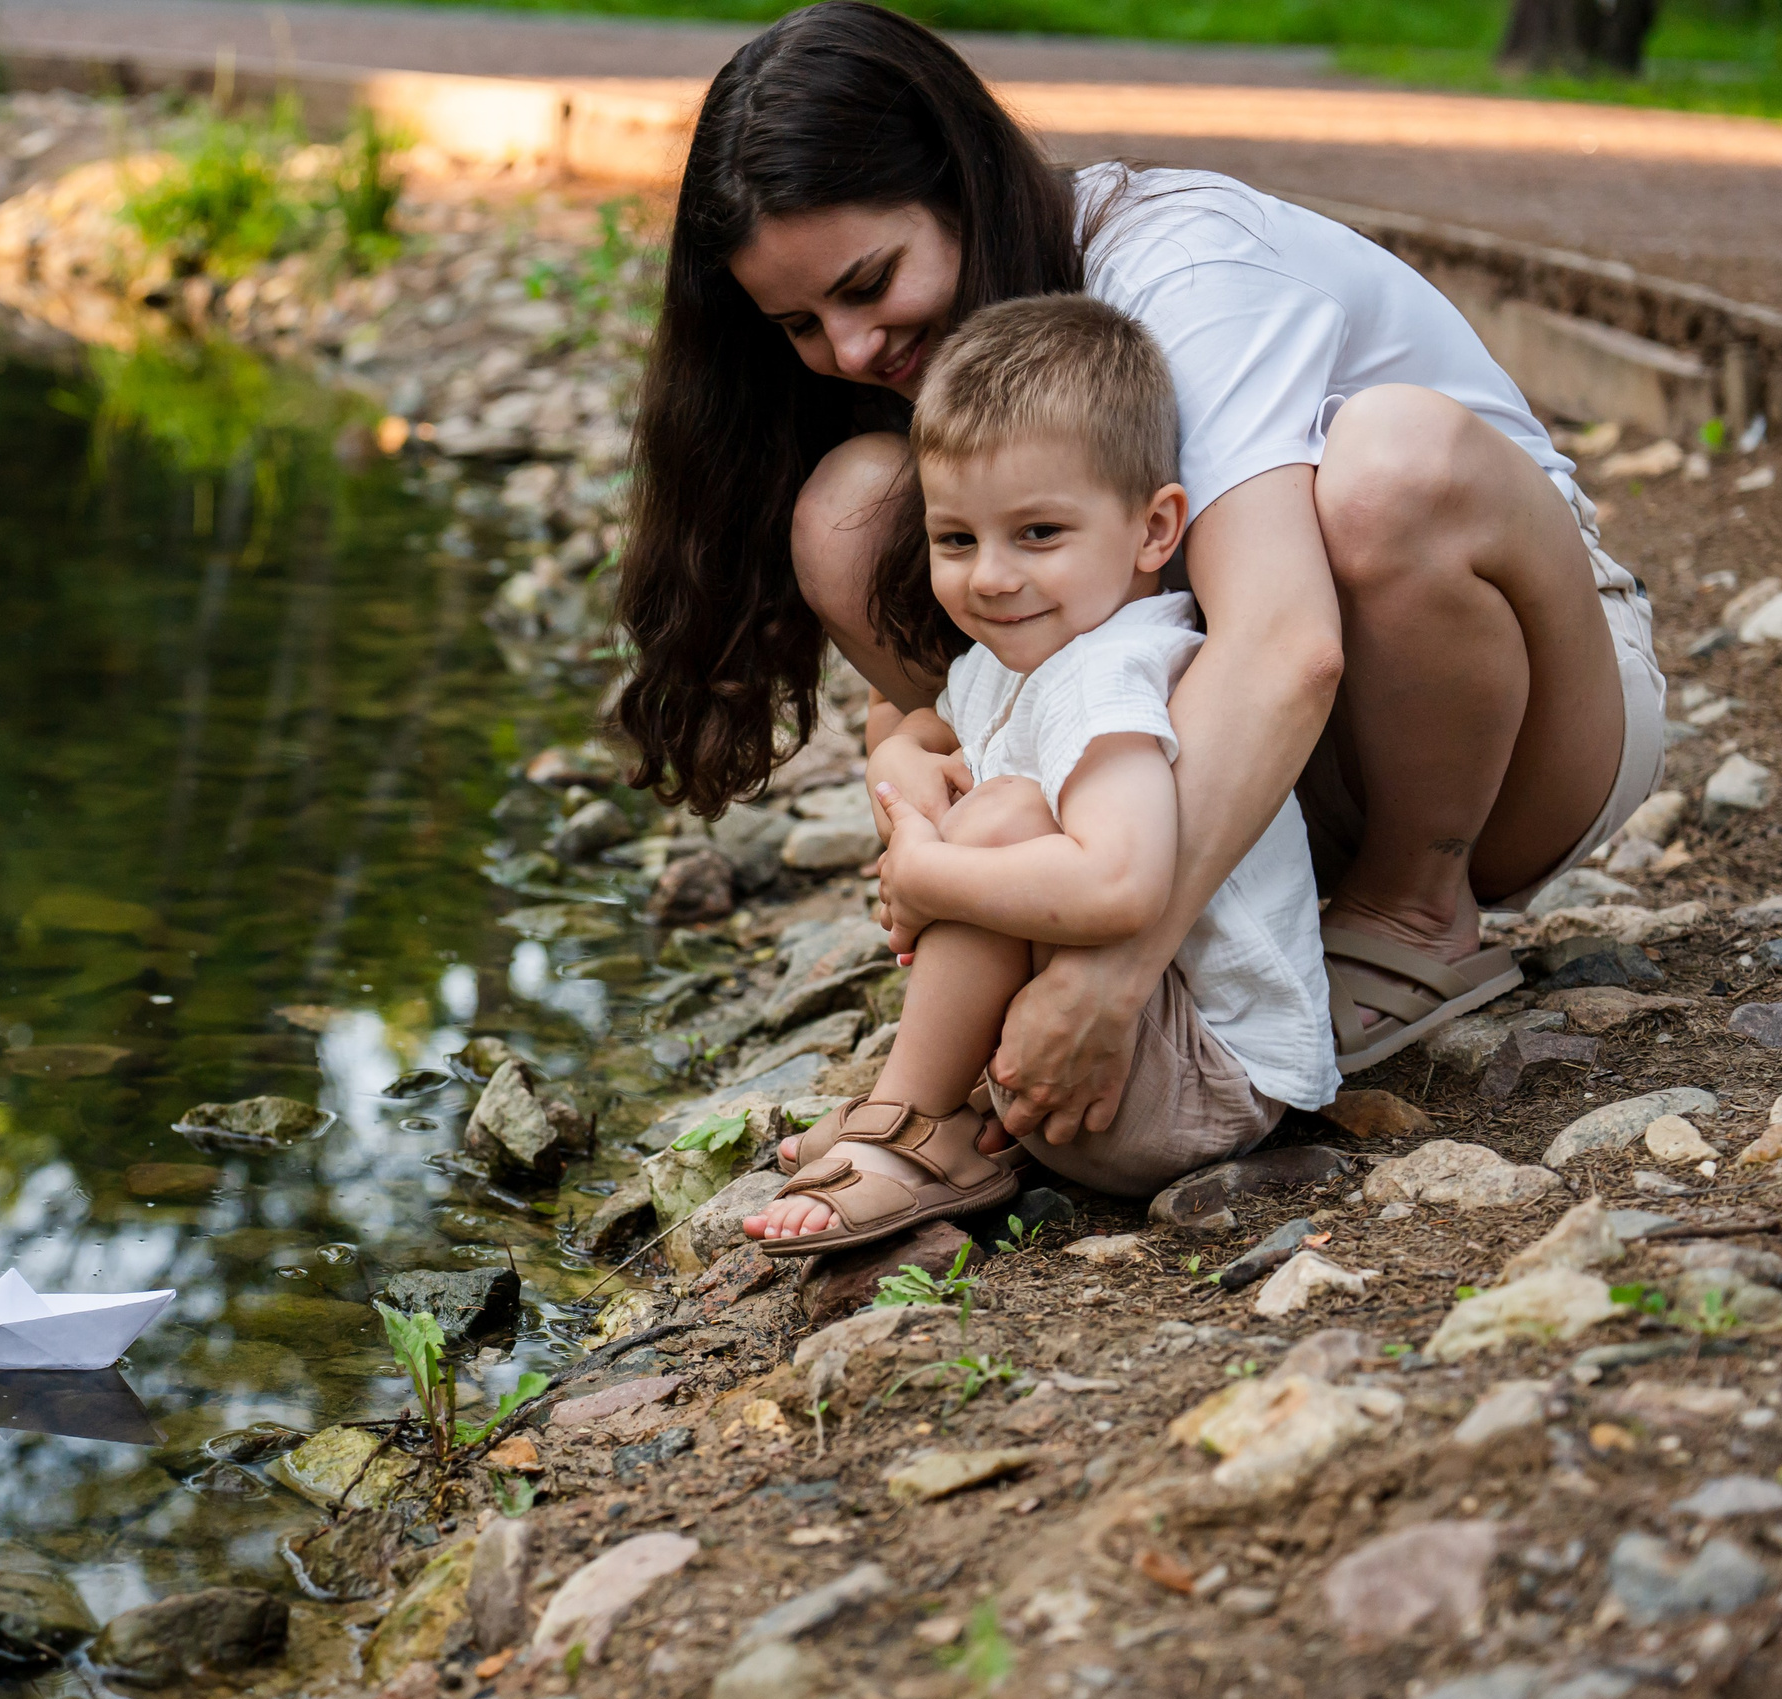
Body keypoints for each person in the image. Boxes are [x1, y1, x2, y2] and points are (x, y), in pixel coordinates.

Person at [615, 3, 1665, 1165]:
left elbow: (1284, 643)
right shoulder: (940, 339)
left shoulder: (1177, 264)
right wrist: (911, 742)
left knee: (1385, 471)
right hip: (1258, 759)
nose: (854, 349)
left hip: (1520, 722)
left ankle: (1414, 911)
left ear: (963, 179)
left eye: (869, 284)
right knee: (850, 511)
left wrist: (1108, 980)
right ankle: (1104, 888)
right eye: (800, 323)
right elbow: (1007, 614)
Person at [744, 296, 1335, 1249]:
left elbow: (1122, 882)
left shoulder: (1111, 676)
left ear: (1154, 531)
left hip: (1206, 1081)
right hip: (1118, 1050)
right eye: (957, 540)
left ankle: (913, 1124)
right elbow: (931, 734)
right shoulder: (1027, 654)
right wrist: (899, 762)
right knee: (985, 806)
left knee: (1005, 815)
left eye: (1039, 534)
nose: (990, 578)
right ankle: (937, 1114)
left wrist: (932, 872)